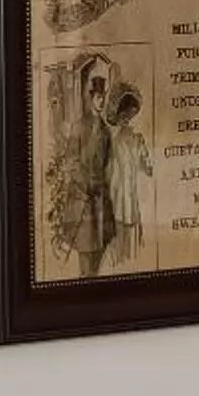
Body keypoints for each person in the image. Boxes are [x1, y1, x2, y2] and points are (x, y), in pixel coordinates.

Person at [55, 56, 115, 277]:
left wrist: (100, 185)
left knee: (99, 254)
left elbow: (107, 161)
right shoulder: (80, 127)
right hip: (83, 200)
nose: (101, 101)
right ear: (91, 98)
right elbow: (71, 161)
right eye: (98, 97)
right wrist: (86, 182)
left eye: (104, 97)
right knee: (86, 261)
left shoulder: (106, 130)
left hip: (101, 201)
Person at [106, 84, 153, 266]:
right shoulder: (113, 140)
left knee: (130, 245)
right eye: (125, 114)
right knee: (120, 245)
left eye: (130, 115)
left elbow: (148, 169)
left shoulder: (135, 139)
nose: (127, 118)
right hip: (117, 198)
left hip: (128, 200)